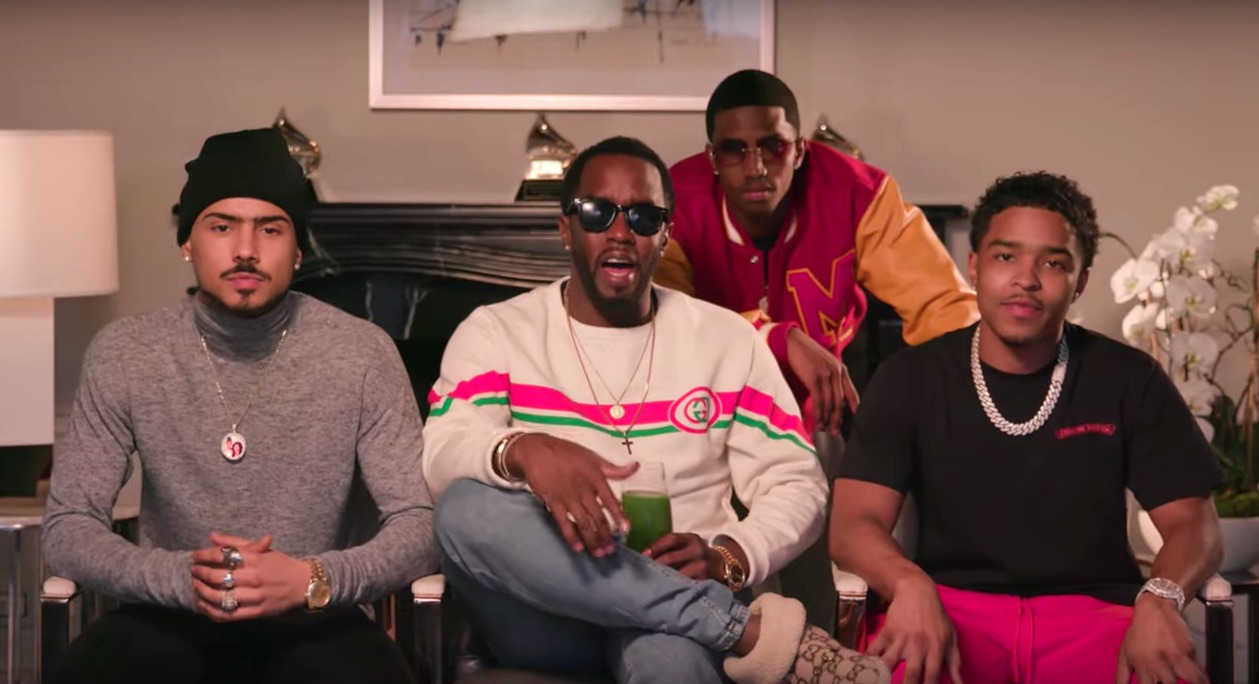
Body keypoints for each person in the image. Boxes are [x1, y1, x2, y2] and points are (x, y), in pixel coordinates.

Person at [422, 135, 891, 684]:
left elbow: (798, 482)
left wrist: (731, 555)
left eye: (644, 217)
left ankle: (697, 616)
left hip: (678, 612)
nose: (621, 232)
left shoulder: (726, 339)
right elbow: (440, 455)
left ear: (666, 235)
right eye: (597, 213)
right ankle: (744, 631)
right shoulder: (496, 332)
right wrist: (522, 450)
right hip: (549, 620)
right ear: (565, 228)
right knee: (463, 509)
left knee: (670, 664)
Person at [41, 128, 437, 684]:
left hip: (318, 619)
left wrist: (311, 578)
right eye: (222, 226)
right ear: (187, 241)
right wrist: (182, 578)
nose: (246, 249)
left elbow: (418, 526)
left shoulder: (361, 352)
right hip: (167, 615)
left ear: (297, 250)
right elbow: (67, 527)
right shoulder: (128, 352)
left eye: (270, 229)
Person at [830, 171, 1223, 684]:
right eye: (1005, 257)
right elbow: (852, 524)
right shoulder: (909, 377)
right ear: (974, 266)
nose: (1026, 279)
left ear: (1081, 280)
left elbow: (1194, 524)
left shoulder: (1129, 378)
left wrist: (1160, 598)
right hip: (950, 610)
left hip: (1095, 616)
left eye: (1053, 263)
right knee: (891, 669)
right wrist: (908, 583)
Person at [654, 69, 980, 630]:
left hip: (815, 416)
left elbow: (945, 310)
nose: (756, 167)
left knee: (840, 550)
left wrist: (940, 404)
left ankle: (850, 637)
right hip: (703, 416)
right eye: (735, 150)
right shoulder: (670, 200)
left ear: (800, 149)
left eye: (773, 146)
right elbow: (662, 315)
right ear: (712, 158)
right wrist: (775, 336)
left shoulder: (858, 192)